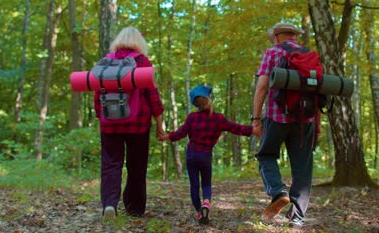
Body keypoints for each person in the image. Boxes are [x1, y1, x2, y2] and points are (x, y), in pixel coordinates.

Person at [158, 85, 262, 225]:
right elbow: (236, 128)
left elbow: (179, 134)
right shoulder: (218, 119)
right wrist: (252, 130)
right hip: (205, 155)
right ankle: (206, 203)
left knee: (194, 185)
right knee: (206, 183)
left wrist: (166, 137)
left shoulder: (192, 118)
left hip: (191, 155)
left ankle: (200, 212)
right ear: (209, 99)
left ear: (195, 103)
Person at [94, 27, 165, 220]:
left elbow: (97, 94)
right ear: (139, 43)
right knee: (137, 166)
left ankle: (109, 204)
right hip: (138, 124)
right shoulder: (142, 62)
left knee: (110, 164)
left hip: (109, 123)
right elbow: (153, 96)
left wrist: (101, 117)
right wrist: (159, 124)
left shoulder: (106, 62)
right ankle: (134, 208)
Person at [251, 22, 315, 228]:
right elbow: (317, 92)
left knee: (266, 155)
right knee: (302, 167)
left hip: (277, 117)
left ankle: (278, 191)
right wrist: (318, 123)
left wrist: (256, 118)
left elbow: (262, 86)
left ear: (277, 35)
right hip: (306, 119)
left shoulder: (273, 53)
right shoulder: (309, 55)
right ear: (294, 35)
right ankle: (297, 218)